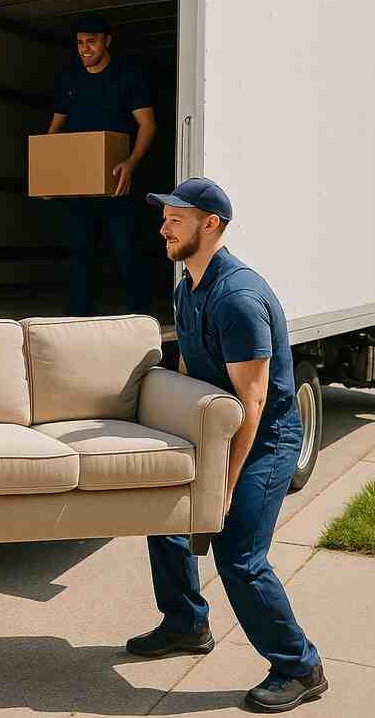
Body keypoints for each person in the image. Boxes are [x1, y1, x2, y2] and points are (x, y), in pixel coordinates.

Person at [130, 178, 327, 712]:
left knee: (239, 556)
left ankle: (299, 665)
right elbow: (194, 371)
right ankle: (186, 623)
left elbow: (255, 402)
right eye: (165, 217)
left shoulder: (237, 297)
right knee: (167, 516)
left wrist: (224, 484)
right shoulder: (187, 285)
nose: (163, 227)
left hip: (266, 440)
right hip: (220, 428)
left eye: (176, 218)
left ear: (209, 224)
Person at [47, 12, 157, 317]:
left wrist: (131, 163)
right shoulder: (69, 80)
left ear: (107, 41)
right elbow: (53, 132)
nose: (84, 49)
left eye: (91, 42)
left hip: (115, 183)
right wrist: (47, 176)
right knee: (80, 251)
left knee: (125, 250)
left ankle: (140, 315)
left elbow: (147, 125)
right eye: (80, 43)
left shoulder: (127, 76)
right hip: (79, 184)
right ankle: (78, 317)